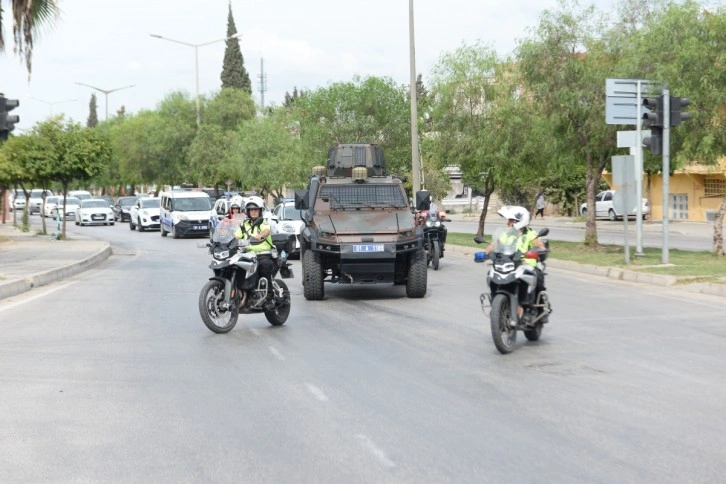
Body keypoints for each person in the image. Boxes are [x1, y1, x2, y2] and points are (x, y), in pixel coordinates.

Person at [485, 206, 546, 319]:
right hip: (509, 263)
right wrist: (486, 253)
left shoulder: (530, 234)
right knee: (491, 276)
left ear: (519, 221)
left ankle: (537, 308)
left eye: (511, 220)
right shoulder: (507, 234)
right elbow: (494, 245)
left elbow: (541, 247)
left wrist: (536, 252)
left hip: (526, 265)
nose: (508, 223)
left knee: (538, 276)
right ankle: (496, 307)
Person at [235, 196, 275, 308]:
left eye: (256, 209)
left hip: (263, 254)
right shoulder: (244, 225)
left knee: (264, 266)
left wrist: (261, 235)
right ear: (247, 211)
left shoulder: (263, 222)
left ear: (260, 211)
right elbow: (236, 236)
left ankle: (270, 298)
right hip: (247, 255)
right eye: (251, 209)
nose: (253, 212)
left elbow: (266, 231)